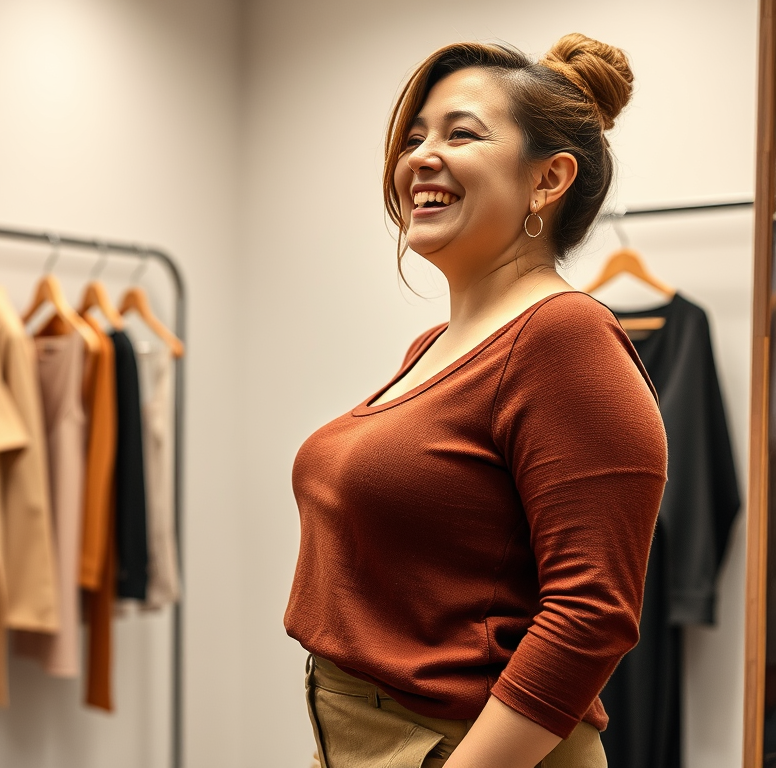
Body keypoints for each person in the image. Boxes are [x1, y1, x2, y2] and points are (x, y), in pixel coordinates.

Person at [284, 33, 668, 768]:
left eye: (462, 133)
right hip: (369, 737)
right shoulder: (433, 347)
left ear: (548, 180)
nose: (418, 157)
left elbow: (591, 614)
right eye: (414, 137)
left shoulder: (565, 337)